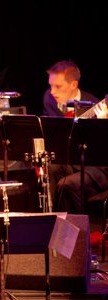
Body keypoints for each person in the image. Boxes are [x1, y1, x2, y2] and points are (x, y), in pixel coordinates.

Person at [42, 62, 108, 213]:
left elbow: (100, 148)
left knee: (67, 184)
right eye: (51, 85)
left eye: (58, 86)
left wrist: (103, 123)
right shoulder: (48, 98)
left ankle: (77, 228)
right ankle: (51, 217)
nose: (52, 91)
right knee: (51, 168)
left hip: (95, 164)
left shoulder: (93, 104)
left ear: (73, 84)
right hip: (71, 159)